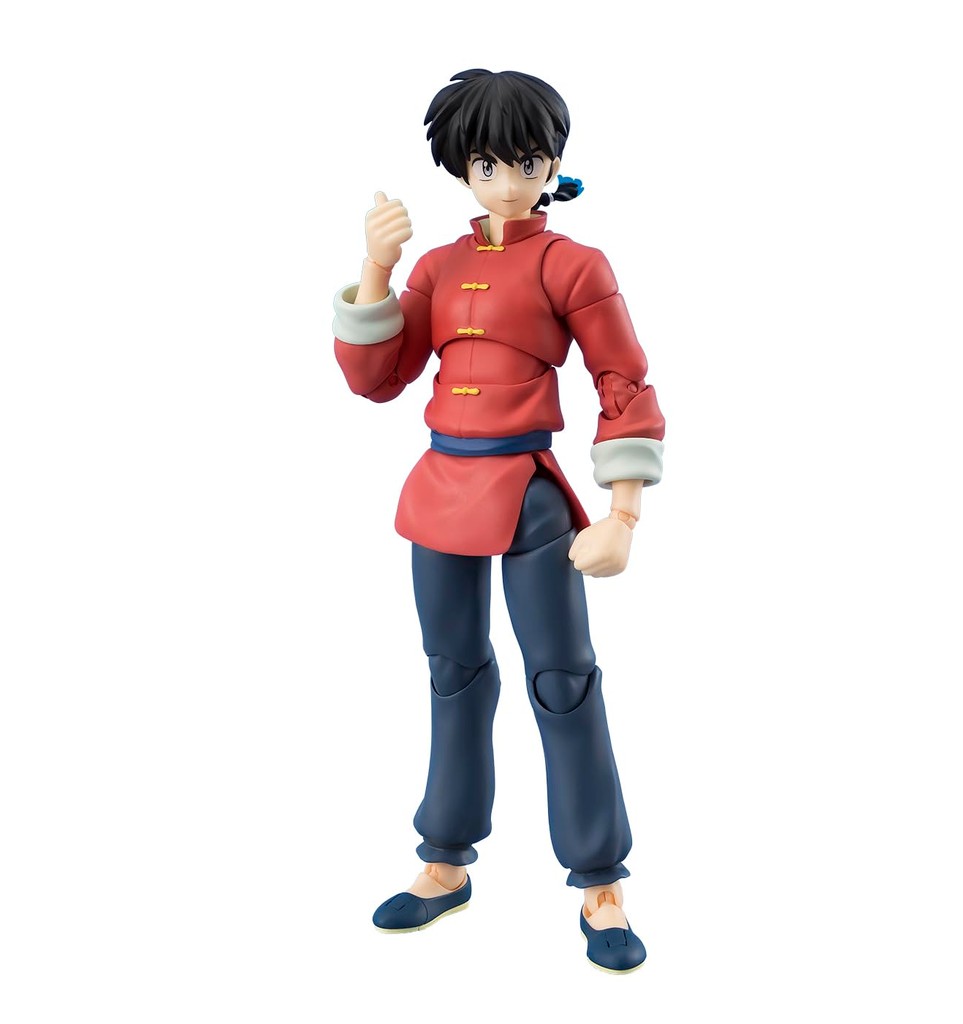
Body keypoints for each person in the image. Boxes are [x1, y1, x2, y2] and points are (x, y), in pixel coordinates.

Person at [332, 69, 665, 973]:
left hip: (529, 496)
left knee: (563, 681)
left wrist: (623, 513)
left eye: (527, 162)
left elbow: (623, 381)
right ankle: (444, 859)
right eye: (487, 164)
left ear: (553, 165)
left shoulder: (573, 264)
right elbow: (376, 378)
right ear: (462, 169)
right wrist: (376, 270)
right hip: (441, 485)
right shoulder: (437, 267)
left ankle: (600, 881)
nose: (508, 182)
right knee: (453, 674)